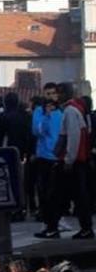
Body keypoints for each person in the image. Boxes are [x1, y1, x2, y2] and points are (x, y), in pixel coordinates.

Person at [37, 84, 92, 239]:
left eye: (58, 93)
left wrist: (69, 159)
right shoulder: (77, 109)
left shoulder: (70, 111)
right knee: (76, 196)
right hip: (75, 160)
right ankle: (82, 228)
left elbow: (73, 137)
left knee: (56, 195)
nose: (55, 96)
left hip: (70, 161)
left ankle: (53, 227)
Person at [32, 93, 63, 221]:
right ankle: (47, 217)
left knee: (57, 191)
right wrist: (46, 116)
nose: (51, 98)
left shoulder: (61, 112)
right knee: (45, 190)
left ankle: (56, 217)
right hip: (45, 156)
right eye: (48, 94)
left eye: (53, 94)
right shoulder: (40, 111)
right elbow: (36, 131)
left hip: (58, 155)